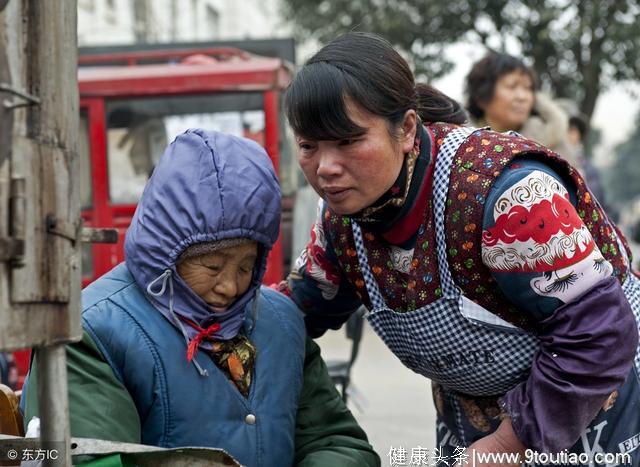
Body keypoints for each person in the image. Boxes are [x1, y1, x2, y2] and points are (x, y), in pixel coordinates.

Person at [278, 32, 640, 464]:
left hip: (590, 403)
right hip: (472, 423)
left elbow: (599, 333)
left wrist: (508, 445)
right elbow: (298, 310)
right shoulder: (339, 222)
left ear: (407, 129)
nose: (326, 168)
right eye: (308, 146)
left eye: (348, 141)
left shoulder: (511, 198)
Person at [21, 130, 380, 467]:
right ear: (163, 250)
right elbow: (94, 459)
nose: (230, 286)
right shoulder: (90, 333)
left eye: (246, 266)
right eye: (211, 265)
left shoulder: (280, 322)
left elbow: (339, 443)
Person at [465, 52, 581, 170]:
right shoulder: (461, 141)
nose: (522, 97)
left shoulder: (552, 139)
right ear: (482, 97)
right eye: (512, 86)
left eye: (528, 88)